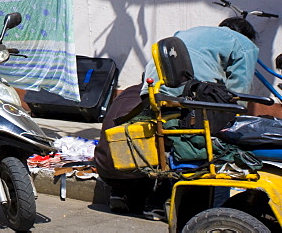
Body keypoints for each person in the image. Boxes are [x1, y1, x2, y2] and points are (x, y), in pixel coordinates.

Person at [96, 17, 259, 220]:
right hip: (190, 92)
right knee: (198, 145)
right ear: (248, 36)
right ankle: (166, 202)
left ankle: (151, 200)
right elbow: (239, 88)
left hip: (153, 90)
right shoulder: (245, 44)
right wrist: (233, 116)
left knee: (165, 139)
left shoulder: (190, 31)